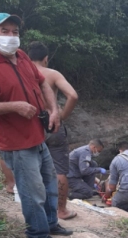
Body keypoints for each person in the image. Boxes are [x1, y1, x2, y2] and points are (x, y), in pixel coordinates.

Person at [0, 13, 73, 238]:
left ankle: (50, 223)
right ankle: (37, 234)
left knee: (48, 183)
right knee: (32, 190)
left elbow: (43, 83)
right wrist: (14, 106)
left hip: (38, 136)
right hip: (16, 142)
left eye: (15, 32)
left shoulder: (22, 56)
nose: (11, 36)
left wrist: (54, 110)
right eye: (4, 31)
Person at [28, 41, 79, 220]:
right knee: (59, 170)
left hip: (30, 126)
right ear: (46, 59)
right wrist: (62, 115)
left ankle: (36, 209)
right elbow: (72, 95)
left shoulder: (22, 73)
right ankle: (61, 210)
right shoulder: (52, 74)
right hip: (52, 125)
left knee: (31, 167)